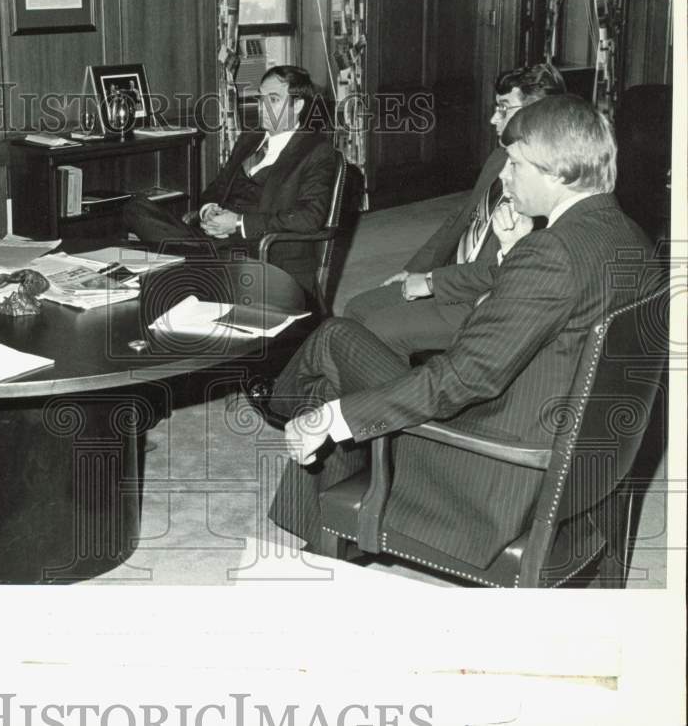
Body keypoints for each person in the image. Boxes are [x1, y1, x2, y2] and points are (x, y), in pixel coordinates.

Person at [263, 94, 653, 569]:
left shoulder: (552, 254)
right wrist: (512, 254)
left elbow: (467, 377)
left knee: (334, 343)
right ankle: (319, 526)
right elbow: (534, 332)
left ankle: (287, 416)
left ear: (559, 171)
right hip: (587, 461)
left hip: (496, 469)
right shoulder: (631, 237)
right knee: (337, 375)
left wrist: (333, 419)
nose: (504, 177)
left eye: (515, 164)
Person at [341, 63, 566, 362]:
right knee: (356, 308)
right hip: (450, 275)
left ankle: (394, 401)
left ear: (537, 112)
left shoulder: (547, 187)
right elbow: (459, 220)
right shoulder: (500, 157)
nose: (492, 119)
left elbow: (506, 275)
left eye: (503, 108)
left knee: (380, 329)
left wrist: (432, 283)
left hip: (478, 299)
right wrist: (415, 269)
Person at [122, 65, 335, 296]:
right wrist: (208, 210)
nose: (262, 107)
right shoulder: (249, 139)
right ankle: (193, 266)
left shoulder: (315, 150)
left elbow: (310, 217)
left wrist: (237, 223)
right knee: (134, 208)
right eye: (260, 98)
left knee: (158, 258)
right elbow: (216, 188)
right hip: (213, 239)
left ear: (298, 105)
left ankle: (190, 267)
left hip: (256, 248)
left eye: (273, 99)